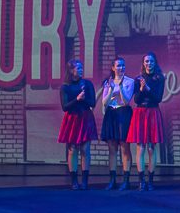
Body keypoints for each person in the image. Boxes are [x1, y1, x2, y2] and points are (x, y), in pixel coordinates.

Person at [127, 52, 165, 191]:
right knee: (141, 147)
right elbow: (136, 100)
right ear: (143, 63)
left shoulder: (159, 78)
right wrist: (142, 89)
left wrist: (147, 89)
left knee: (151, 147)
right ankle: (141, 181)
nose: (149, 64)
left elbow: (158, 98)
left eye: (151, 61)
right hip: (140, 112)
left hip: (153, 111)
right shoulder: (138, 79)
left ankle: (150, 181)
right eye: (147, 61)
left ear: (155, 63)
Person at [96, 56, 135, 190]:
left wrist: (120, 87)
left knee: (125, 147)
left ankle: (126, 180)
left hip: (124, 113)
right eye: (118, 65)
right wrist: (112, 89)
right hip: (111, 114)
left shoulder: (130, 81)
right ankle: (112, 180)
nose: (121, 68)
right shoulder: (108, 82)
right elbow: (104, 102)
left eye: (123, 65)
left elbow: (126, 101)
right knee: (112, 148)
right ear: (113, 68)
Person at [58, 59, 96, 190]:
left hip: (85, 117)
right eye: (78, 68)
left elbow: (92, 103)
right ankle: (74, 181)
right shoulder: (65, 87)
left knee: (85, 149)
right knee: (72, 150)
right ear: (71, 70)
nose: (81, 70)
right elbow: (65, 107)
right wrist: (77, 99)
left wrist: (84, 100)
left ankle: (84, 181)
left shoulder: (87, 84)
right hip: (72, 119)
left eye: (81, 68)